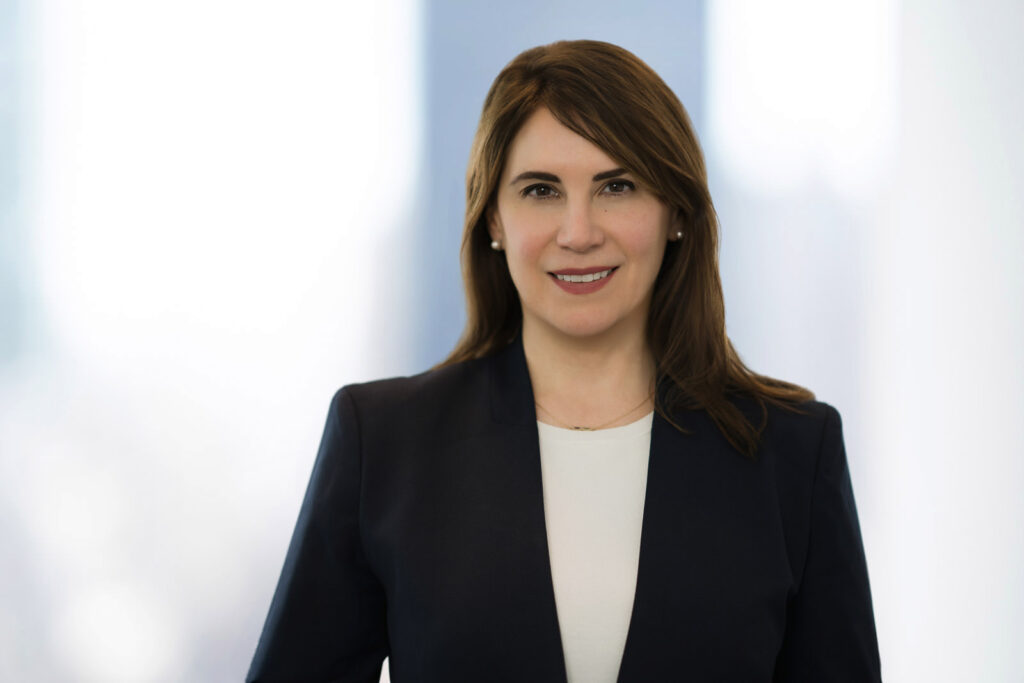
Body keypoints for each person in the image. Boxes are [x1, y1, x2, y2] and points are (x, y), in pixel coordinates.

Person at [246, 40, 881, 682]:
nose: (578, 233)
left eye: (618, 186)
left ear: (676, 213)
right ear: (493, 217)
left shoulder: (794, 452)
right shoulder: (383, 441)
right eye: (542, 190)